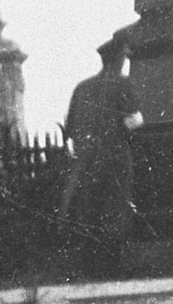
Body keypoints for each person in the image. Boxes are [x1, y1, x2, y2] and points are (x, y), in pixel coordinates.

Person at [61, 36, 144, 279]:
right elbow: (133, 121)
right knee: (115, 210)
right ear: (118, 60)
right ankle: (111, 268)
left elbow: (70, 127)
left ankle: (89, 267)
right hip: (116, 157)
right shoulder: (122, 83)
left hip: (87, 159)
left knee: (90, 210)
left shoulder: (82, 87)